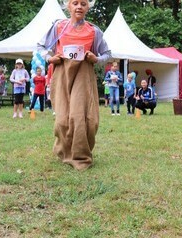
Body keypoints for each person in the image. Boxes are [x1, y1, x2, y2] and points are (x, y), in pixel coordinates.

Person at [37, 0, 111, 170]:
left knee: (83, 119)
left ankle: (80, 155)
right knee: (62, 120)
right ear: (68, 6)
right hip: (62, 73)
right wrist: (50, 58)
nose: (79, 6)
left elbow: (108, 54)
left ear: (88, 7)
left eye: (83, 4)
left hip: (83, 75)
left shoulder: (94, 31)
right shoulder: (58, 27)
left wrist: (96, 59)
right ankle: (64, 151)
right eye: (75, 3)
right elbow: (40, 46)